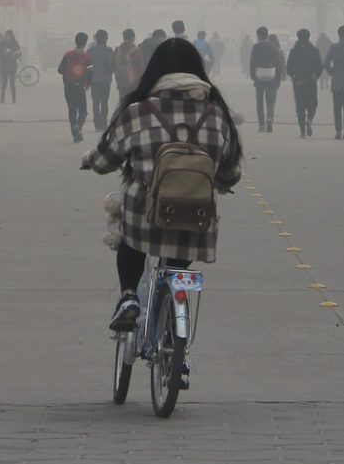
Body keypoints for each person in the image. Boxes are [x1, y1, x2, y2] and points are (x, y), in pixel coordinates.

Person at [83, 37, 243, 336]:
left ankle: (129, 297)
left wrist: (89, 161)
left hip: (144, 218)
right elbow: (229, 173)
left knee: (129, 245)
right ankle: (174, 328)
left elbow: (105, 161)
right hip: (195, 220)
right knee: (178, 263)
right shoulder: (217, 115)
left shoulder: (136, 112)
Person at [286, 27, 322, 137]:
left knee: (300, 107)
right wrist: (315, 76)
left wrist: (293, 76)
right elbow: (320, 66)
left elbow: (288, 68)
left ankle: (302, 131)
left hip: (298, 82)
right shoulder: (314, 50)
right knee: (312, 104)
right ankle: (309, 120)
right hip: (311, 81)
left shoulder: (294, 51)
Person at [248, 26, 284, 133]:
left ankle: (261, 124)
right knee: (271, 102)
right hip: (272, 77)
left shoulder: (256, 47)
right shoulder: (274, 47)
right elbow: (279, 64)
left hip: (259, 78)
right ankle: (269, 118)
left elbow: (252, 62)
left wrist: (253, 76)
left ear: (258, 35)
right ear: (267, 35)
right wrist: (278, 78)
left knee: (259, 102)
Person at [59, 32, 93, 142]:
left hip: (69, 86)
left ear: (75, 41)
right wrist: (87, 84)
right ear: (85, 43)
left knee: (72, 110)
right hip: (80, 87)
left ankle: (75, 133)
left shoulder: (68, 55)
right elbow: (90, 73)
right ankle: (78, 126)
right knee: (83, 110)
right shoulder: (87, 57)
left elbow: (59, 70)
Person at [87, 29, 116, 130]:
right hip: (105, 80)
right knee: (104, 102)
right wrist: (111, 70)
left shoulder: (90, 51)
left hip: (94, 80)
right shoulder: (108, 50)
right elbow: (110, 64)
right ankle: (103, 123)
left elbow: (87, 67)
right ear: (105, 39)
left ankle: (97, 124)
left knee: (95, 102)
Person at [114, 27, 144, 95]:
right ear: (132, 38)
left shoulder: (117, 49)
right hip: (133, 81)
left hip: (120, 80)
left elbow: (113, 64)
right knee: (131, 101)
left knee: (122, 100)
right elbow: (139, 67)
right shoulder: (137, 50)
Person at [0, 29, 22, 104]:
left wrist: (15, 54)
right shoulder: (2, 43)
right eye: (6, 35)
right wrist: (4, 53)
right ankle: (2, 99)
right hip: (4, 65)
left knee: (12, 83)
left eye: (8, 35)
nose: (7, 37)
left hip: (13, 65)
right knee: (4, 83)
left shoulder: (15, 43)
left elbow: (19, 52)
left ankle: (14, 99)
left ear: (11, 35)